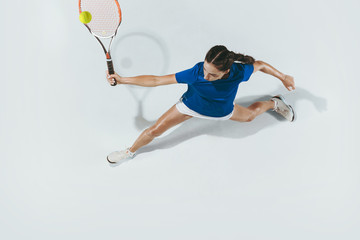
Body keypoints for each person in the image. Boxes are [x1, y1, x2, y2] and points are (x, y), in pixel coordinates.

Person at [106, 45, 295, 164]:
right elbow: (156, 80)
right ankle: (129, 152)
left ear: (226, 71)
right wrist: (123, 80)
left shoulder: (239, 71)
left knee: (250, 116)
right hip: (190, 106)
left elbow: (260, 65)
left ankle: (274, 103)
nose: (205, 76)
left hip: (222, 110)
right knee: (155, 130)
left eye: (212, 74)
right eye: (205, 69)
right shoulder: (196, 72)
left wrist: (283, 76)